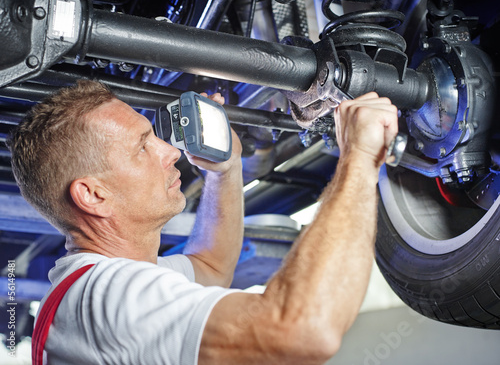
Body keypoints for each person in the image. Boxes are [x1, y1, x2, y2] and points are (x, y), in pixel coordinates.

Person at [8, 80, 398, 364]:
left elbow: (211, 265)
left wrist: (225, 172)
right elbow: (305, 329)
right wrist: (360, 158)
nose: (169, 152)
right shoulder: (109, 298)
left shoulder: (97, 286)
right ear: (93, 196)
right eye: (142, 146)